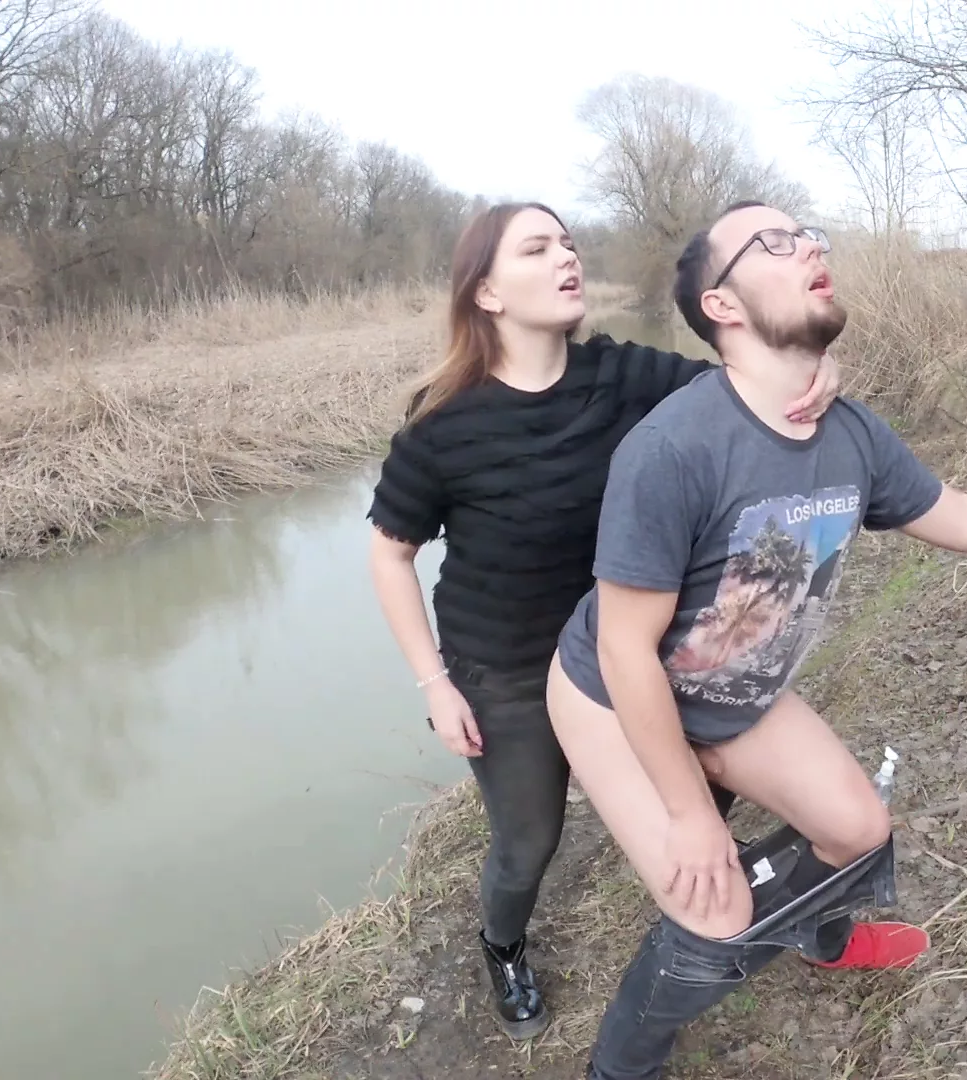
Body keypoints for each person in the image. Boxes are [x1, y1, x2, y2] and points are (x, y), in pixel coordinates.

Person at [546, 200, 967, 1078]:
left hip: (733, 690)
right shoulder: (673, 449)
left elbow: (958, 517)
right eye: (774, 242)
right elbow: (624, 650)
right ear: (721, 305)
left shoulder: (850, 432)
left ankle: (813, 931)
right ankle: (620, 1064)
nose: (807, 245)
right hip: (615, 695)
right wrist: (690, 815)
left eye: (808, 234)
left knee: (857, 827)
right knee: (714, 911)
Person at [363, 200, 847, 1041]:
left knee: (700, 784)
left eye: (569, 243)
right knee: (529, 840)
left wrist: (817, 373)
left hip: (623, 651)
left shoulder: (624, 375)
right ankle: (503, 946)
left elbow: (744, 378)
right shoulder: (443, 426)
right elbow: (389, 554)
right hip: (507, 668)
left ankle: (726, 890)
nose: (567, 257)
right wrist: (435, 683)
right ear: (487, 293)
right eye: (538, 248)